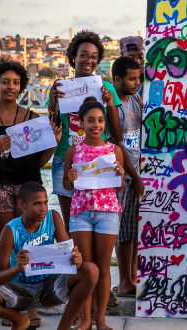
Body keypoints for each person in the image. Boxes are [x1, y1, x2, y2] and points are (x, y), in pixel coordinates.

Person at [47, 29, 123, 312]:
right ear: (73, 57)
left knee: (102, 226)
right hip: (68, 161)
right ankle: (81, 287)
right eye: (83, 55)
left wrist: (111, 103)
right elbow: (53, 127)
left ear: (99, 60)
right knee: (73, 230)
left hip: (100, 163)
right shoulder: (60, 87)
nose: (88, 60)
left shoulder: (107, 88)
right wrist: (54, 103)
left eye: (94, 57)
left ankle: (100, 286)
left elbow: (118, 134)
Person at [0, 182, 98, 330]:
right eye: (37, 203)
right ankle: (19, 320)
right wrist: (17, 268)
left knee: (90, 270)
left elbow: (68, 254)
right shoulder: (11, 230)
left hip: (51, 287)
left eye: (45, 203)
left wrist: (76, 259)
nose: (43, 208)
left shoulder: (53, 217)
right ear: (22, 204)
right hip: (19, 289)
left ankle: (63, 327)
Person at [0, 58, 60, 238]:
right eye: (5, 82)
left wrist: (54, 143)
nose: (10, 87)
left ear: (21, 87)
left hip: (29, 185)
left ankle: (24, 268)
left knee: (29, 238)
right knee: (7, 238)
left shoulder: (32, 118)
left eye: (15, 83)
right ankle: (6, 267)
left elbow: (38, 162)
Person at [64, 97, 126, 330]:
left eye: (100, 120)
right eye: (90, 120)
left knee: (103, 267)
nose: (96, 125)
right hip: (80, 213)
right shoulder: (74, 150)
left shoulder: (114, 150)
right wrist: (69, 178)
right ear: (81, 123)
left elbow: (119, 186)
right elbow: (67, 186)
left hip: (107, 212)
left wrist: (120, 173)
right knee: (85, 268)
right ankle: (84, 320)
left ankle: (100, 320)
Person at [108, 56, 144, 298]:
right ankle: (123, 281)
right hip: (123, 175)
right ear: (117, 79)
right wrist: (135, 176)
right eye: (131, 79)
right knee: (121, 234)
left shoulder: (136, 98)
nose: (136, 82)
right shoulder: (112, 105)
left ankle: (131, 280)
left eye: (139, 78)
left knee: (132, 232)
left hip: (137, 173)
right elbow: (118, 140)